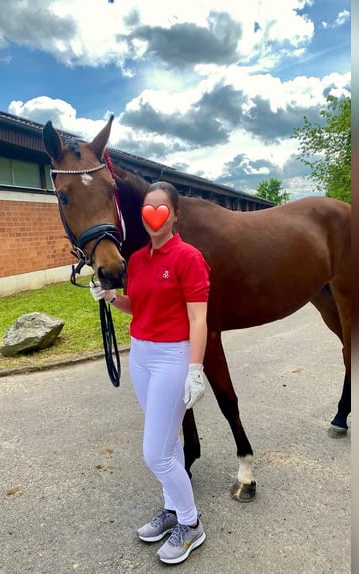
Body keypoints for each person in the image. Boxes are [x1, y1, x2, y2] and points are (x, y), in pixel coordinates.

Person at [90, 181, 211, 565]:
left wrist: (195, 368)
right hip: (140, 355)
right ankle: (172, 509)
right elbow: (138, 307)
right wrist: (111, 297)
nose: (152, 215)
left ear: (174, 214)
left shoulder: (189, 257)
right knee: (168, 443)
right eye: (147, 208)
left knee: (154, 454)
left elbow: (198, 318)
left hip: (172, 358)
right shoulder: (137, 259)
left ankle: (191, 525)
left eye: (160, 208)